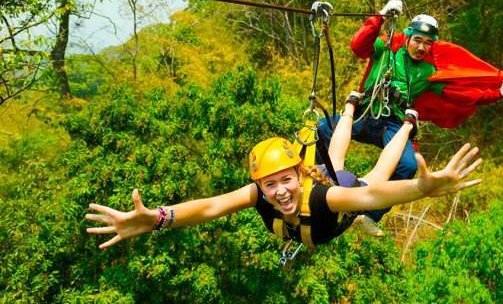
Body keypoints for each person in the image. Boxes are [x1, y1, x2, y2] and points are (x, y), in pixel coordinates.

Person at [85, 98, 482, 250]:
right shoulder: (261, 194)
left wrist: (422, 188)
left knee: (371, 174)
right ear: (259, 185)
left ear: (299, 174)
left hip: (338, 198)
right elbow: (209, 207)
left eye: (285, 180)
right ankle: (348, 106)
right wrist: (156, 218)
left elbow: (372, 198)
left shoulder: (325, 197)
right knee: (337, 158)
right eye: (269, 184)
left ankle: (409, 124)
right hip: (322, 194)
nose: (279, 192)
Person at [318, 0, 503, 235]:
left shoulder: (428, 72)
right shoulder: (386, 48)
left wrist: (498, 93)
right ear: (408, 37)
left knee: (408, 165)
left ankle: (369, 215)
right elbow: (358, 45)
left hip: (393, 124)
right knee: (323, 128)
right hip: (367, 113)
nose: (422, 47)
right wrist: (380, 17)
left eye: (428, 43)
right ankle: (320, 182)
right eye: (418, 40)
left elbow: (461, 96)